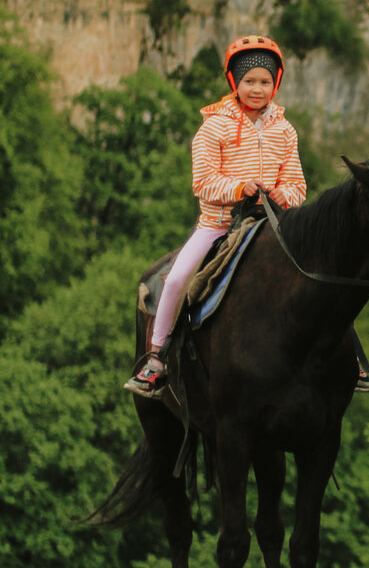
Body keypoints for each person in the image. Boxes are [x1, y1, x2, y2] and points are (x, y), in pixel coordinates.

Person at [125, 35, 309, 397]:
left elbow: (297, 185)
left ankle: (351, 361)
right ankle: (157, 359)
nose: (258, 89)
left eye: (266, 81)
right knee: (177, 280)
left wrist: (280, 195)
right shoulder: (214, 126)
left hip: (273, 226)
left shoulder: (285, 131)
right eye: (250, 81)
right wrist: (241, 189)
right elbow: (203, 182)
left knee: (318, 271)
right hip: (219, 225)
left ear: (277, 83)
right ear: (234, 83)